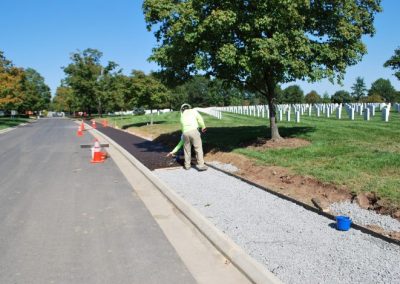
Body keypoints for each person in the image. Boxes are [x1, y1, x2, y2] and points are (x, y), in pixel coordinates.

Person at [167, 103, 207, 171]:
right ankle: (201, 165)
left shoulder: (182, 117)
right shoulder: (193, 111)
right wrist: (203, 126)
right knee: (198, 148)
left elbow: (182, 137)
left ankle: (187, 166)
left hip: (185, 133)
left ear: (182, 110)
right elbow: (199, 119)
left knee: (186, 150)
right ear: (189, 107)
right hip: (194, 131)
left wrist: (173, 151)